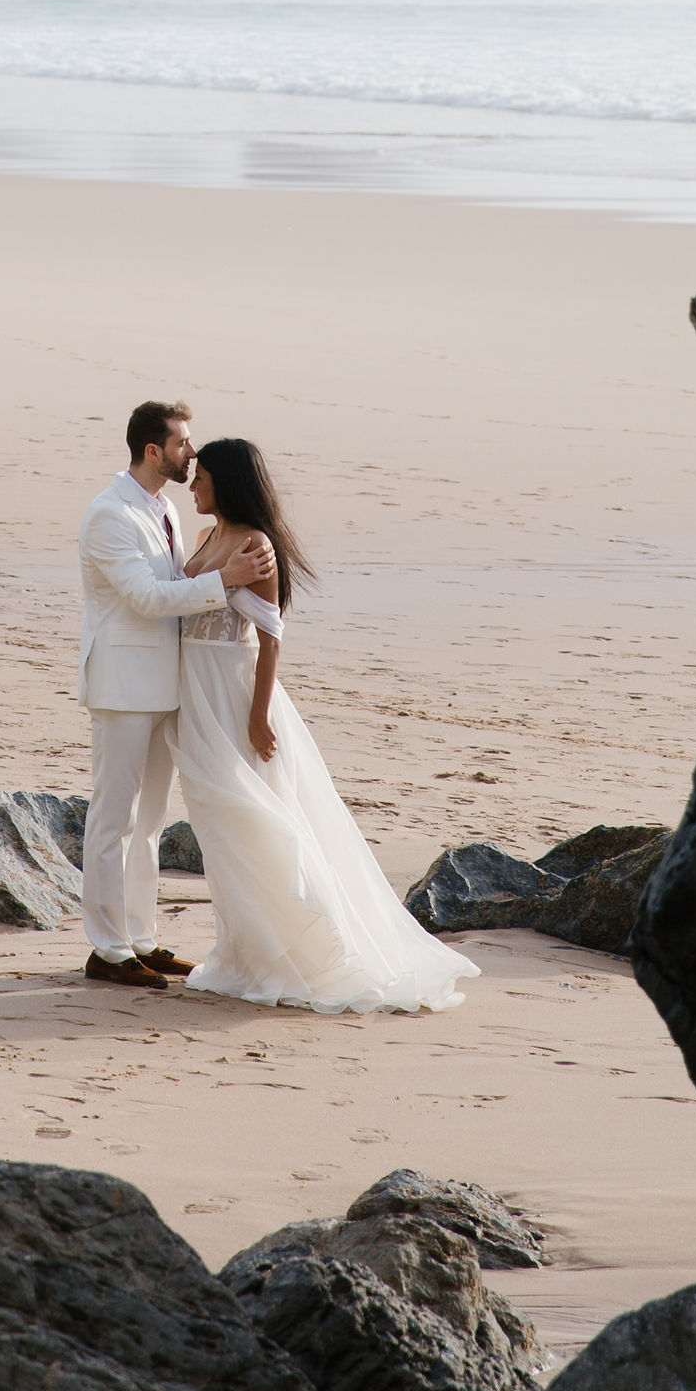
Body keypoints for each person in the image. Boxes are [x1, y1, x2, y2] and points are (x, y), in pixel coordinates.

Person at [172, 434, 477, 1014]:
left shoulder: (256, 545)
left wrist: (259, 716)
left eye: (203, 478)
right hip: (198, 701)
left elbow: (269, 642)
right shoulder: (213, 537)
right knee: (220, 827)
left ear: (227, 482)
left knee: (258, 821)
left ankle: (302, 953)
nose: (194, 486)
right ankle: (246, 953)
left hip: (235, 700)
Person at [78, 399, 276, 989]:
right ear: (153, 451)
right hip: (123, 683)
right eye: (183, 443)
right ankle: (107, 950)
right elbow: (146, 599)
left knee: (151, 821)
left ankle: (141, 938)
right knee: (113, 817)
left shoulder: (162, 506)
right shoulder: (110, 514)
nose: (192, 452)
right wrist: (226, 579)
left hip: (167, 684)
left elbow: (174, 587)